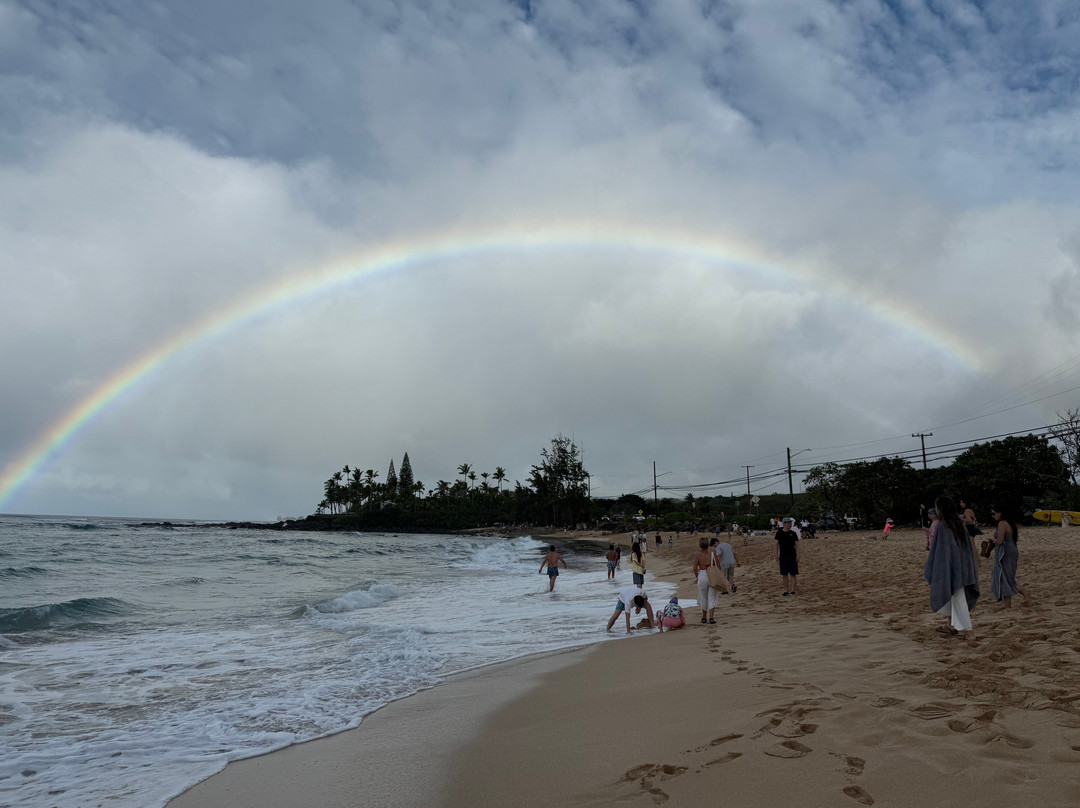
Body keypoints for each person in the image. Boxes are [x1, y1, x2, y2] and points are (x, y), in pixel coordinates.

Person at [923, 496, 979, 641]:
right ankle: (950, 625)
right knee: (950, 595)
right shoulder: (959, 525)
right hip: (962, 567)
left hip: (952, 569)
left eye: (936, 508)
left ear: (940, 509)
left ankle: (969, 632)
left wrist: (934, 567)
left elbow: (939, 550)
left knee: (958, 597)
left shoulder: (943, 526)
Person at [989, 502, 1025, 608]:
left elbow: (1000, 541)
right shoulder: (1009, 523)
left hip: (1006, 552)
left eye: (994, 513)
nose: (993, 515)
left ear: (1000, 513)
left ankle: (1010, 604)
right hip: (1011, 550)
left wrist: (992, 540)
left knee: (1004, 576)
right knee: (1006, 577)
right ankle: (1009, 604)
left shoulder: (1002, 523)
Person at [693, 539, 720, 623]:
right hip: (711, 573)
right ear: (708, 545)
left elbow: (694, 568)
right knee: (712, 596)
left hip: (702, 574)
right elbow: (718, 564)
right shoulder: (712, 553)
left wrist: (697, 576)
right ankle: (711, 617)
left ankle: (704, 617)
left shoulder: (698, 555)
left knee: (703, 596)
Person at [775, 517, 799, 596]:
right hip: (783, 556)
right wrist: (776, 555)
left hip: (792, 556)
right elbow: (776, 545)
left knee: (793, 574)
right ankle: (785, 590)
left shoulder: (793, 533)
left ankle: (792, 590)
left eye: (790, 523)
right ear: (784, 524)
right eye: (788, 523)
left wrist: (798, 555)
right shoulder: (779, 533)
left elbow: (797, 545)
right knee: (784, 574)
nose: (790, 524)